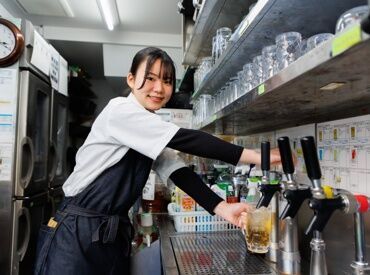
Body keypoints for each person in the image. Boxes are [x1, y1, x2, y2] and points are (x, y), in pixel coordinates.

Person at [34, 47, 280, 275]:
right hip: (77, 231)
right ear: (131, 79)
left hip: (107, 233)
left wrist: (222, 207)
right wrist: (256, 158)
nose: (159, 88)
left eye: (167, 81)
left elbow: (177, 171)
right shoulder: (120, 111)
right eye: (150, 78)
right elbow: (187, 140)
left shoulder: (145, 127)